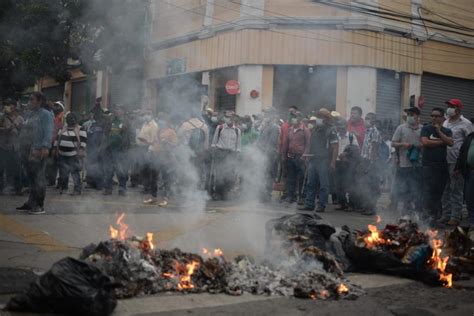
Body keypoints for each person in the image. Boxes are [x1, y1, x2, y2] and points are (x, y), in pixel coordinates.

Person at [16, 92, 54, 214]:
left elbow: (48, 132)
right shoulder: (31, 114)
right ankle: (31, 202)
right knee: (31, 178)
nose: (29, 102)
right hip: (28, 150)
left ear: (39, 101)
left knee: (39, 178)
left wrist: (45, 147)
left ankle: (39, 205)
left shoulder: (46, 114)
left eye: (32, 100)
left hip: (37, 150)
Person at [440, 99, 474, 226]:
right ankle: (446, 214)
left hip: (456, 162)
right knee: (445, 189)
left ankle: (455, 216)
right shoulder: (446, 122)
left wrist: (462, 164)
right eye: (448, 106)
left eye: (451, 106)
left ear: (458, 109)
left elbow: (469, 143)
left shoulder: (466, 124)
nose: (449, 108)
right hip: (444, 160)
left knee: (456, 190)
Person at [300, 110, 338, 212]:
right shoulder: (315, 129)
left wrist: (333, 162)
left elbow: (335, 147)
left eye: (320, 117)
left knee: (323, 184)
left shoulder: (331, 130)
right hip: (313, 159)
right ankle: (309, 204)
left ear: (326, 118)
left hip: (324, 161)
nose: (318, 119)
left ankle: (321, 205)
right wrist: (306, 156)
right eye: (318, 116)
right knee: (310, 183)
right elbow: (310, 144)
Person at [420, 107, 453, 225]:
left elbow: (451, 142)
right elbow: (425, 142)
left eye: (436, 116)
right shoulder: (426, 128)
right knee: (428, 192)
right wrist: (442, 142)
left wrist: (439, 131)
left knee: (438, 193)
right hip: (428, 166)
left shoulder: (447, 130)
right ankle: (425, 219)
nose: (434, 118)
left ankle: (434, 218)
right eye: (432, 115)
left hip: (441, 167)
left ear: (442, 117)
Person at [391, 107, 423, 214]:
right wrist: (403, 144)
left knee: (416, 188)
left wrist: (419, 147)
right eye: (408, 114)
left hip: (418, 165)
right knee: (403, 187)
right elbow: (393, 143)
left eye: (412, 114)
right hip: (403, 164)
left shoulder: (422, 129)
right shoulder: (401, 128)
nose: (409, 116)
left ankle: (417, 210)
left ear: (418, 116)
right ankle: (405, 209)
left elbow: (425, 144)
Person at [145, 113, 177, 206]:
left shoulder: (171, 132)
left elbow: (175, 145)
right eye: (159, 118)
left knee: (166, 179)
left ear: (167, 121)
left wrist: (167, 142)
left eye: (163, 119)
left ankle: (165, 198)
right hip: (156, 157)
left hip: (166, 158)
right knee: (153, 178)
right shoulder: (158, 131)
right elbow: (155, 143)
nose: (161, 121)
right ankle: (153, 197)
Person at [210, 111, 241, 200]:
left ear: (233, 119)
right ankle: (217, 193)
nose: (228, 119)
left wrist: (237, 155)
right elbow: (214, 142)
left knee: (229, 175)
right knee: (219, 174)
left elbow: (238, 145)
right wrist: (214, 151)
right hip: (220, 152)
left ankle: (225, 194)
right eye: (227, 117)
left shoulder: (237, 130)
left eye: (230, 117)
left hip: (231, 154)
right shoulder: (220, 128)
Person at [54, 112, 87, 195]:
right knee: (63, 172)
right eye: (69, 118)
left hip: (73, 155)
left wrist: (81, 150)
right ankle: (64, 187)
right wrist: (55, 149)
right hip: (62, 154)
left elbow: (83, 140)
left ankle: (77, 189)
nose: (70, 120)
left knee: (74, 172)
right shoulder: (63, 128)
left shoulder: (80, 129)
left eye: (72, 118)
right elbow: (58, 139)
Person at [281, 112, 310, 204]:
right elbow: (286, 143)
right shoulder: (290, 129)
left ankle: (301, 197)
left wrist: (304, 155)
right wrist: (283, 155)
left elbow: (309, 144)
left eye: (296, 117)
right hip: (290, 156)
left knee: (301, 178)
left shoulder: (305, 130)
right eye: (293, 117)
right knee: (291, 177)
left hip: (300, 157)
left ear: (300, 118)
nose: (294, 119)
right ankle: (290, 196)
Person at [103, 106, 132, 196]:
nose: (116, 111)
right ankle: (108, 189)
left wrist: (126, 148)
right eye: (115, 109)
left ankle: (122, 189)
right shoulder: (110, 121)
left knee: (121, 171)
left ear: (123, 111)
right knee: (109, 170)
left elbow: (129, 136)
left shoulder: (126, 122)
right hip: (110, 150)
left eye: (119, 109)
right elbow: (105, 133)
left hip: (121, 151)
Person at [333, 117, 359, 211]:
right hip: (337, 162)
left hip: (348, 164)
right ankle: (342, 203)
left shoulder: (351, 136)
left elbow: (356, 149)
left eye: (342, 126)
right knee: (338, 184)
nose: (341, 128)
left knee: (349, 184)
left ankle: (351, 205)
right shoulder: (335, 136)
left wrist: (346, 154)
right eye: (339, 126)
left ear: (346, 126)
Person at [358, 112, 381, 216]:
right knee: (365, 185)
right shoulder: (367, 131)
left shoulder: (374, 132)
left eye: (369, 119)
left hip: (371, 162)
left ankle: (371, 208)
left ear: (373, 121)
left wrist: (371, 163)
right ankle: (366, 206)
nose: (366, 120)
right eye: (366, 118)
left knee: (371, 185)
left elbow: (374, 148)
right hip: (365, 160)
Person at [0, 101, 24, 195]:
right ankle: (1, 188)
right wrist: (5, 130)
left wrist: (18, 128)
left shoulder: (20, 118)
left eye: (11, 106)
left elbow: (23, 132)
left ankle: (17, 188)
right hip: (3, 146)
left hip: (15, 147)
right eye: (8, 105)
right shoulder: (2, 117)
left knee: (17, 168)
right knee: (1, 168)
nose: (9, 107)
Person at [257, 110, 280, 202]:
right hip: (262, 153)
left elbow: (272, 142)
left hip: (269, 154)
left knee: (268, 174)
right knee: (263, 174)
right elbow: (261, 140)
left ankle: (267, 194)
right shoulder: (265, 127)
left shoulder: (274, 127)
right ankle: (262, 193)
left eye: (267, 114)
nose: (265, 116)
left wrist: (265, 152)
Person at [137, 109, 159, 195]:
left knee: (150, 170)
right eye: (145, 114)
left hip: (149, 149)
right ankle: (145, 187)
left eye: (148, 114)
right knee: (144, 169)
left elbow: (153, 141)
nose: (146, 115)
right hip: (142, 148)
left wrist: (145, 141)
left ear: (152, 115)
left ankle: (150, 189)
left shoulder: (154, 125)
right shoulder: (145, 124)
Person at [454, 130, 474, 226]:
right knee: (469, 196)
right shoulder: (470, 137)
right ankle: (472, 218)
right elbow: (462, 153)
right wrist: (457, 167)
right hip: (470, 171)